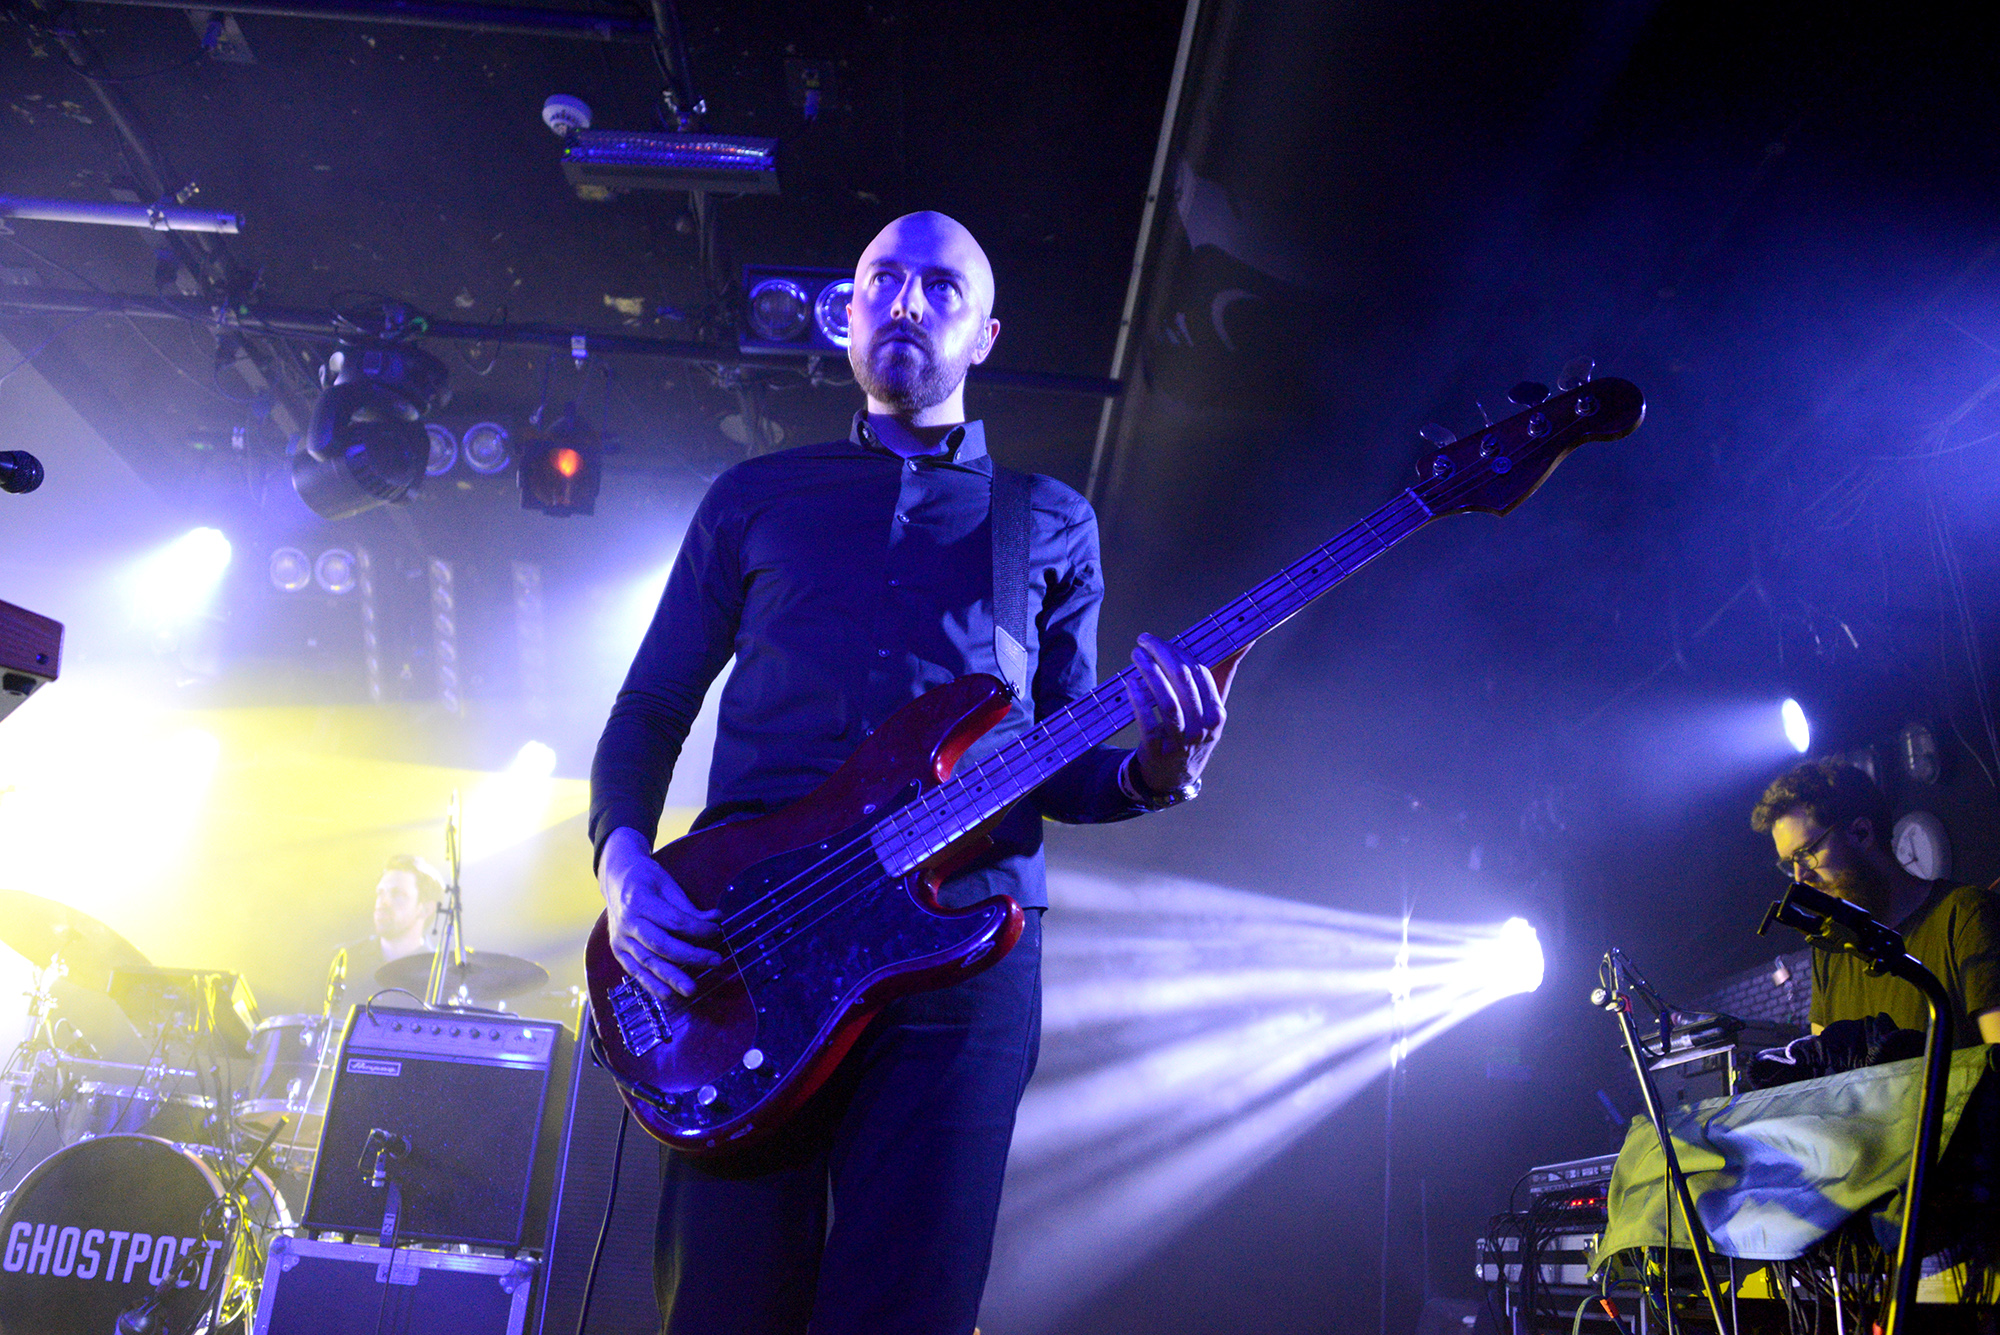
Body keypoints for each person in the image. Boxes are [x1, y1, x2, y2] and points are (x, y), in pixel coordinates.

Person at [589, 211, 1237, 1335]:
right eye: (882, 280)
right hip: (748, 942)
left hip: (961, 950)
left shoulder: (1047, 520)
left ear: (984, 335)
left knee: (908, 1308)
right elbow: (650, 706)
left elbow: (1059, 765)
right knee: (721, 1305)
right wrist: (622, 864)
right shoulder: (754, 496)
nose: (905, 301)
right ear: (847, 315)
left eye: (940, 287)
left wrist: (1156, 770)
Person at [1752, 757, 2000, 1046]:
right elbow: (1827, 1068)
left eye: (1806, 852)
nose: (1800, 876)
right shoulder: (1832, 949)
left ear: (1862, 833)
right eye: (1790, 863)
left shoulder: (1967, 916)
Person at [325, 853, 442, 1005]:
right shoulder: (343, 960)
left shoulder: (440, 975)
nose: (382, 902)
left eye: (397, 894)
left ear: (426, 909)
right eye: (380, 893)